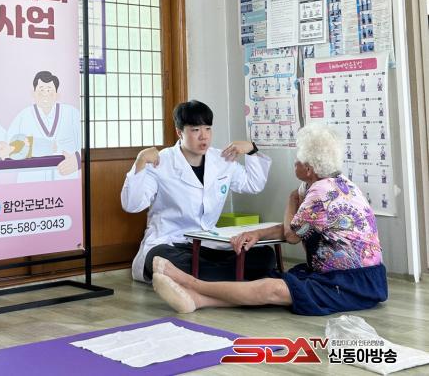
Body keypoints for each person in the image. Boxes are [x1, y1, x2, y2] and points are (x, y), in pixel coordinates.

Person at [151, 124, 387, 316]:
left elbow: (291, 236)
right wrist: (257, 234)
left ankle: (192, 284)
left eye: (298, 160)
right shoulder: (336, 183)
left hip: (352, 283)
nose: (294, 163)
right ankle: (197, 300)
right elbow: (297, 227)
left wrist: (291, 200)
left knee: (273, 288)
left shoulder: (321, 192)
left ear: (309, 169)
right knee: (273, 284)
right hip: (346, 276)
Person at [121, 100, 274, 283]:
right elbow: (132, 205)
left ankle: (203, 278)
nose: (204, 136)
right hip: (172, 242)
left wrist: (251, 150)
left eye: (208, 129)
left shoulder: (222, 159)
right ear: (179, 132)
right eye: (195, 130)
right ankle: (229, 277)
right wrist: (140, 162)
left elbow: (253, 184)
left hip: (209, 242)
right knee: (160, 259)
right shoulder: (161, 162)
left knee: (265, 255)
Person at [0, 70, 80, 181]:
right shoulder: (24, 116)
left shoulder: (72, 114)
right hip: (30, 183)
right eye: (41, 90)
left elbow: (84, 143)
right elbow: (8, 145)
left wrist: (78, 160)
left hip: (66, 182)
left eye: (49, 90)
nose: (45, 94)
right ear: (33, 93)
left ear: (57, 95)